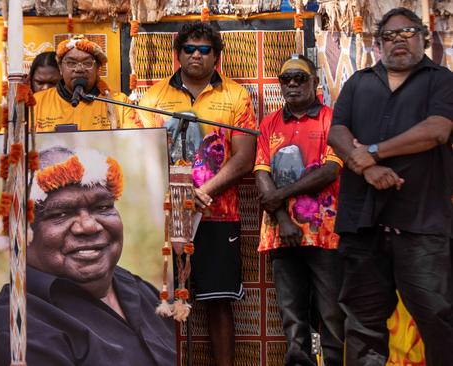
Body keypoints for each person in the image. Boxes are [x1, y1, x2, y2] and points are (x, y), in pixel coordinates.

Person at [328, 7, 453, 366]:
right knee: (363, 324)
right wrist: (366, 168)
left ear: (423, 38)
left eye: (408, 32)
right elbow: (337, 132)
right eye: (390, 35)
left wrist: (371, 152)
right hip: (363, 222)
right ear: (378, 44)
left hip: (421, 224)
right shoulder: (359, 82)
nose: (399, 40)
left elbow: (437, 131)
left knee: (438, 318)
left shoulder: (442, 81)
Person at [138, 22, 257, 366]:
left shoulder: (236, 96)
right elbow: (142, 150)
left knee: (218, 303)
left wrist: (203, 191)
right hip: (164, 217)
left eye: (205, 50)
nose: (196, 55)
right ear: (177, 54)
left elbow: (245, 156)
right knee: (161, 301)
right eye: (189, 49)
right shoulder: (154, 98)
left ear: (217, 57)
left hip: (218, 213)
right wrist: (179, 193)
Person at [0, 146, 176, 366]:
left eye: (102, 207)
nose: (89, 226)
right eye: (60, 214)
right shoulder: (17, 327)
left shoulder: (142, 290)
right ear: (21, 233)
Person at [254, 55, 344, 366]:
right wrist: (282, 220)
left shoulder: (331, 118)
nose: (292, 84)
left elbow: (330, 171)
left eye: (300, 78)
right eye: (286, 79)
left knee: (332, 312)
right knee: (292, 314)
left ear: (314, 82)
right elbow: (261, 172)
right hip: (283, 233)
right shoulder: (270, 124)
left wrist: (281, 195)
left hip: (323, 234)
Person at [33, 35, 142, 131]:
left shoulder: (119, 103)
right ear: (60, 67)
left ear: (98, 67)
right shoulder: (36, 103)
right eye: (71, 63)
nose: (79, 69)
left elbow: (134, 146)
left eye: (87, 63)